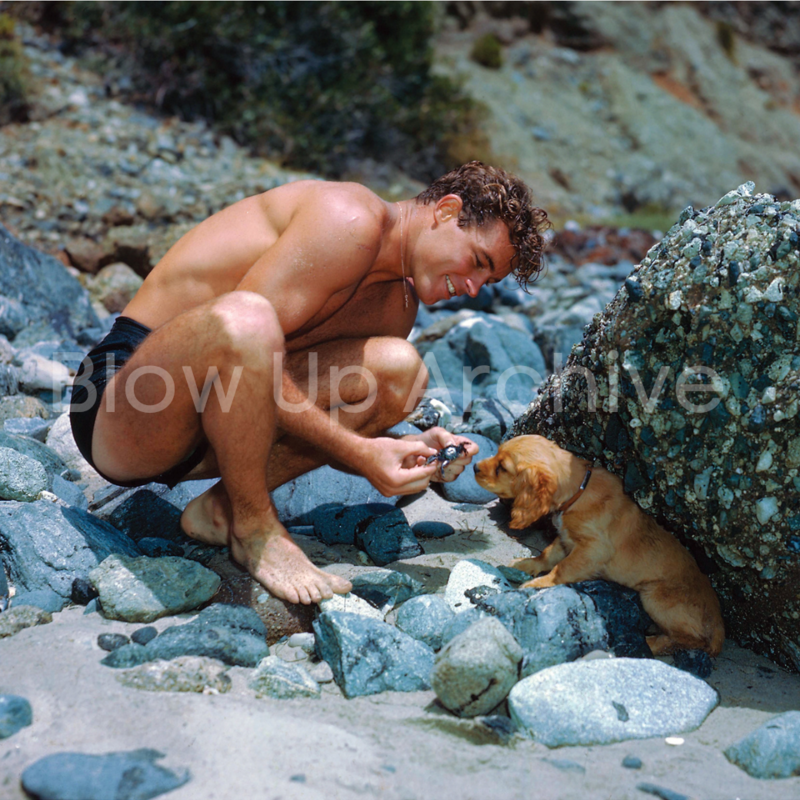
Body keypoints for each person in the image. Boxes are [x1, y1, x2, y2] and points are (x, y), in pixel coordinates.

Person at [70, 161, 549, 605]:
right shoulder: (349, 218)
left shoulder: (396, 307)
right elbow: (243, 344)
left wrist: (405, 445)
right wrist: (360, 455)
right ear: (447, 212)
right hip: (128, 402)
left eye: (486, 284)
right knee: (250, 319)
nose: (471, 288)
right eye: (478, 262)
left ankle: (222, 510)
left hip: (216, 425)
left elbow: (280, 391)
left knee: (399, 372)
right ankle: (257, 530)